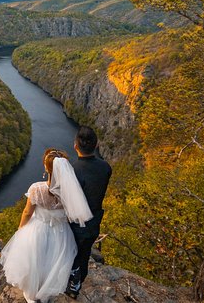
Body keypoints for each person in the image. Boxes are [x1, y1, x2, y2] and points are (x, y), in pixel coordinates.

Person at [1, 149, 93, 303]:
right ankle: (46, 295)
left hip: (38, 230)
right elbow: (73, 214)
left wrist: (20, 230)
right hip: (61, 233)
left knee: (35, 262)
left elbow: (27, 213)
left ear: (46, 168)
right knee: (52, 264)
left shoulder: (36, 189)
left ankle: (32, 295)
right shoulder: (70, 193)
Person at [65, 126, 112, 299]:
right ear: (97, 144)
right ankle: (77, 283)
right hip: (94, 220)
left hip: (75, 222)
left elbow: (68, 201)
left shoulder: (72, 171)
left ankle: (71, 285)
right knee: (84, 253)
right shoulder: (106, 168)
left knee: (71, 254)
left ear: (75, 145)